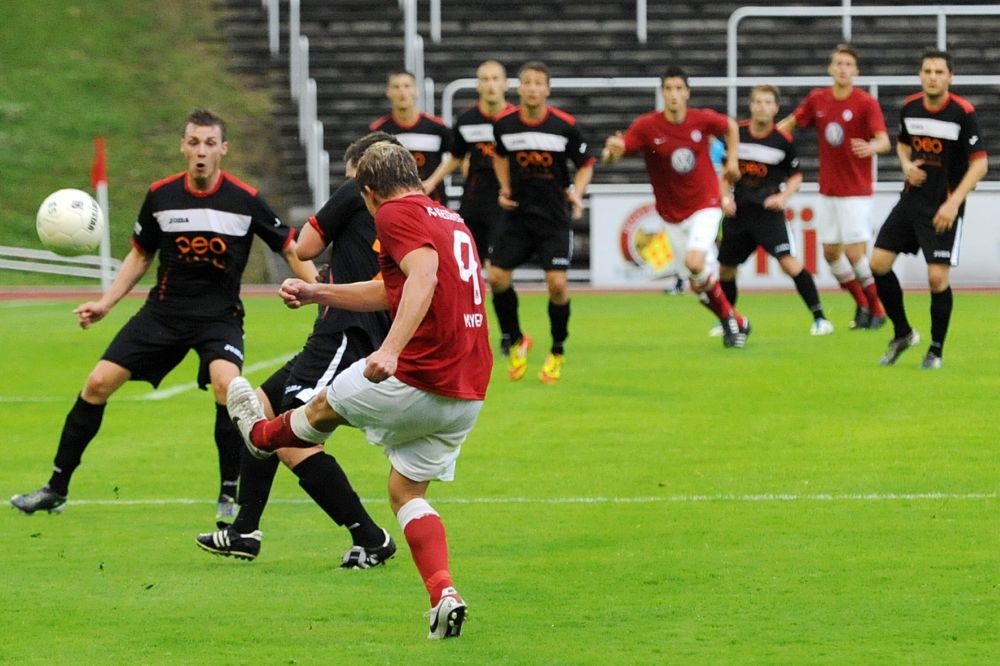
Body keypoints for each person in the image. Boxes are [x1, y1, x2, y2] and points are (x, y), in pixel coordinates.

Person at [225, 142, 492, 639]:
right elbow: (393, 289)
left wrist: (390, 349)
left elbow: (424, 277)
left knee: (321, 406)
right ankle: (444, 594)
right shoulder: (448, 217)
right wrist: (317, 291)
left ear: (368, 192)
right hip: (468, 391)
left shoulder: (393, 212)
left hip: (419, 375)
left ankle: (259, 437)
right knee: (405, 492)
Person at [10, 108, 316, 517]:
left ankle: (228, 494)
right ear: (183, 147)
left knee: (228, 388)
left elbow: (289, 248)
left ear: (223, 149)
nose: (201, 151)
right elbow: (140, 255)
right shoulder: (161, 196)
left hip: (219, 317)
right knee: (97, 383)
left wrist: (320, 294)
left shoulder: (245, 200)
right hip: (163, 313)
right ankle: (56, 488)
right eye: (194, 142)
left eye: (209, 143)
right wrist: (105, 303)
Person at [195, 132, 398, 566]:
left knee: (291, 437)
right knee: (261, 409)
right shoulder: (407, 209)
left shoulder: (357, 190)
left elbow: (304, 245)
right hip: (351, 329)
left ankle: (371, 537)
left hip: (346, 331)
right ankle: (244, 531)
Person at [603, 65, 750, 349]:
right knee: (697, 285)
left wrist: (732, 162)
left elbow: (731, 126)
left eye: (679, 89)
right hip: (671, 215)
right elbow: (616, 153)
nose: (674, 94)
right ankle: (738, 319)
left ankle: (729, 323)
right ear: (662, 93)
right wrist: (610, 152)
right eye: (669, 89)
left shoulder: (701, 119)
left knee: (695, 263)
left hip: (705, 203)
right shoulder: (647, 126)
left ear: (687, 93)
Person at [871, 50, 988, 369]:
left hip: (943, 205)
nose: (933, 77)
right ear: (920, 75)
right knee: (878, 263)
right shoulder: (910, 107)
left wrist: (953, 203)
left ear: (950, 77)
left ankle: (935, 350)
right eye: (927, 71)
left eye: (939, 72)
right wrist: (906, 165)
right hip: (912, 200)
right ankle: (903, 333)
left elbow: (980, 165)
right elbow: (903, 143)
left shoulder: (963, 113)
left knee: (936, 279)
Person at [490, 61, 596, 382]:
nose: (533, 88)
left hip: (553, 218)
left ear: (548, 89)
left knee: (558, 285)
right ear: (518, 87)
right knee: (496, 278)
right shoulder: (505, 125)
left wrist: (577, 192)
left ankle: (557, 350)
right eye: (527, 82)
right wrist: (504, 187)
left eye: (539, 83)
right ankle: (516, 339)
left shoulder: (564, 126)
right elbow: (498, 155)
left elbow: (586, 163)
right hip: (517, 217)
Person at [778, 43, 891, 330]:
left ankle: (878, 310)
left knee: (854, 253)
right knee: (830, 253)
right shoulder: (818, 99)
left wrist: (871, 146)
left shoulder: (865, 103)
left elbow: (884, 141)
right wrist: (766, 138)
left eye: (848, 65)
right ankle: (862, 303)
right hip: (828, 189)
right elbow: (792, 123)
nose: (842, 69)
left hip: (857, 191)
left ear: (856, 71)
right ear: (830, 68)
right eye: (838, 63)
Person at [719, 84, 834, 336]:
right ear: (751, 105)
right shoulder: (737, 134)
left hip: (767, 215)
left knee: (789, 264)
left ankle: (820, 318)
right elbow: (726, 173)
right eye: (758, 102)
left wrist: (783, 197)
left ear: (776, 108)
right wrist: (725, 198)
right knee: (726, 268)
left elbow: (796, 176)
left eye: (768, 102)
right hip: (739, 213)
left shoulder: (783, 141)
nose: (762, 107)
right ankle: (727, 320)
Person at [423, 60, 515, 287]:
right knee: (464, 270)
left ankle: (506, 313)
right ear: (478, 85)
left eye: (495, 79)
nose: (490, 84)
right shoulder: (466, 120)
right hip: (474, 201)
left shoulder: (516, 120)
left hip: (505, 203)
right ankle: (473, 311)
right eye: (485, 79)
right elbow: (456, 156)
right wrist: (431, 182)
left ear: (505, 84)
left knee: (497, 274)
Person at [369, 70, 451, 202]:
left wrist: (432, 181)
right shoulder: (378, 130)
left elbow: (457, 155)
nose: (402, 91)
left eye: (407, 86)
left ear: (416, 91)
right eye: (396, 87)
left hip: (433, 201)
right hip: (395, 202)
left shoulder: (437, 127)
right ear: (388, 92)